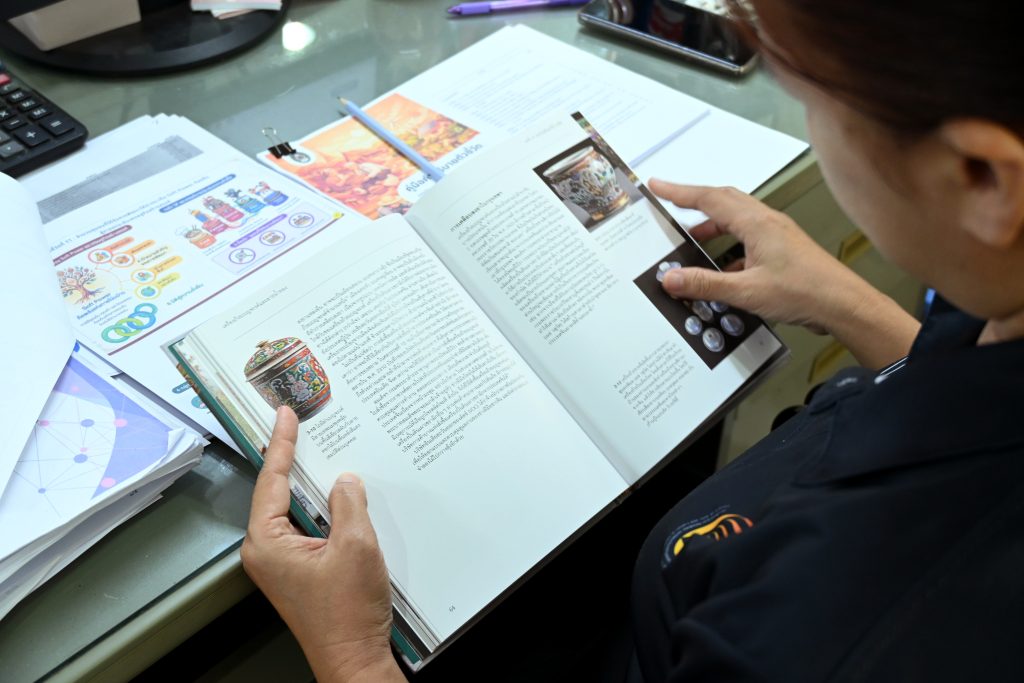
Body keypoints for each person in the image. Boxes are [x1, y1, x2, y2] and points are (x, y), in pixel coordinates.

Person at [239, 1, 1024, 680]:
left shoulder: (829, 632)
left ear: (985, 180)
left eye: (814, 99)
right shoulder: (996, 304)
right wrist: (851, 306)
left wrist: (352, 655)